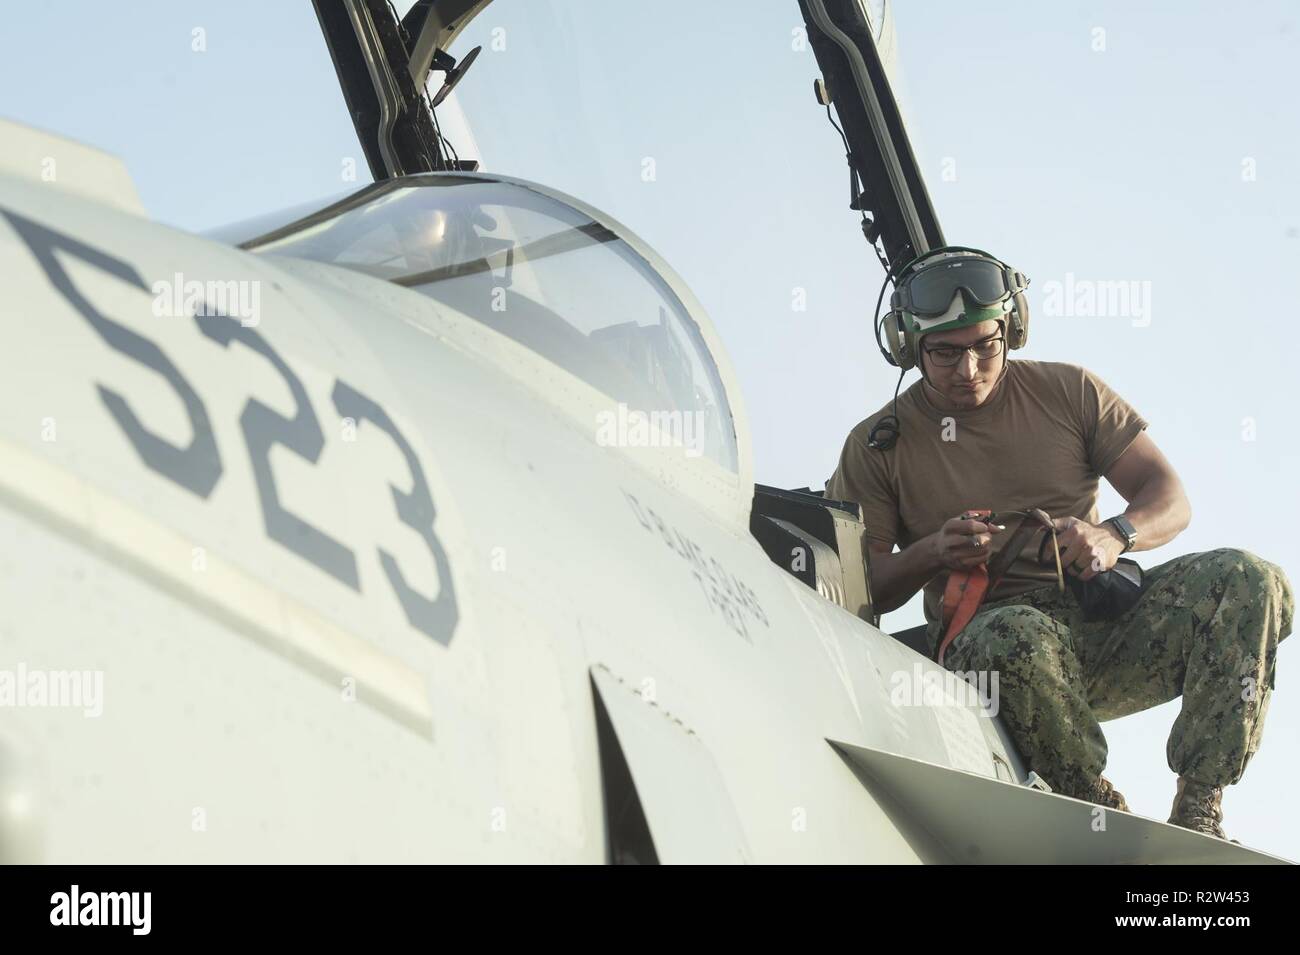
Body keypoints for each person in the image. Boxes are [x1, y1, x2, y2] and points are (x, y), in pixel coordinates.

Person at [826, 246, 1293, 840]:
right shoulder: (878, 444)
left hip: (1102, 621)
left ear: (1011, 329)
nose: (967, 369)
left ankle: (1201, 802)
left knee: (1250, 579)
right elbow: (859, 592)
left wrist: (1113, 536)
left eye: (984, 346)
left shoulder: (1068, 392)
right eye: (944, 353)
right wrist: (933, 554)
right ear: (907, 344)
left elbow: (1169, 498)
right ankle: (1091, 803)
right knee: (1013, 633)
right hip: (991, 647)